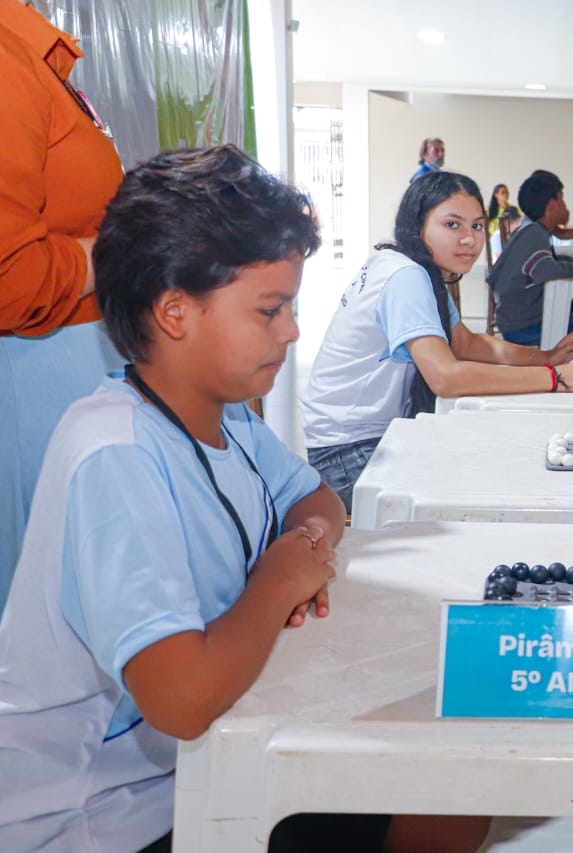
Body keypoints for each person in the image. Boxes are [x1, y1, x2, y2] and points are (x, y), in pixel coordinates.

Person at [0, 146, 492, 853]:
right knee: (436, 779)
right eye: (270, 309)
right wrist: (282, 577)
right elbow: (181, 699)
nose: (292, 330)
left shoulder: (223, 413)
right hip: (107, 814)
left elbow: (321, 500)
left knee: (450, 777)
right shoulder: (116, 451)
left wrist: (304, 547)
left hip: (203, 759)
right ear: (174, 311)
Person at [303, 171, 573, 509]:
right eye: (453, 225)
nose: (469, 239)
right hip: (350, 455)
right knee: (496, 486)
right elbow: (446, 377)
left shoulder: (413, 267)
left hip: (360, 442)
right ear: (417, 224)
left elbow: (467, 344)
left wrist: (546, 357)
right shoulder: (406, 277)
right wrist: (558, 380)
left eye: (477, 226)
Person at [0, 0, 126, 615]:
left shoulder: (33, 51)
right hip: (31, 376)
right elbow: (12, 280)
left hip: (68, 368)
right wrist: (129, 245)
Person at [487, 170, 573, 346]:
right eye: (562, 199)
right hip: (525, 327)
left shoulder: (532, 226)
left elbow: (559, 233)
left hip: (517, 319)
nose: (565, 205)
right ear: (552, 204)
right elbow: (543, 271)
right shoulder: (534, 234)